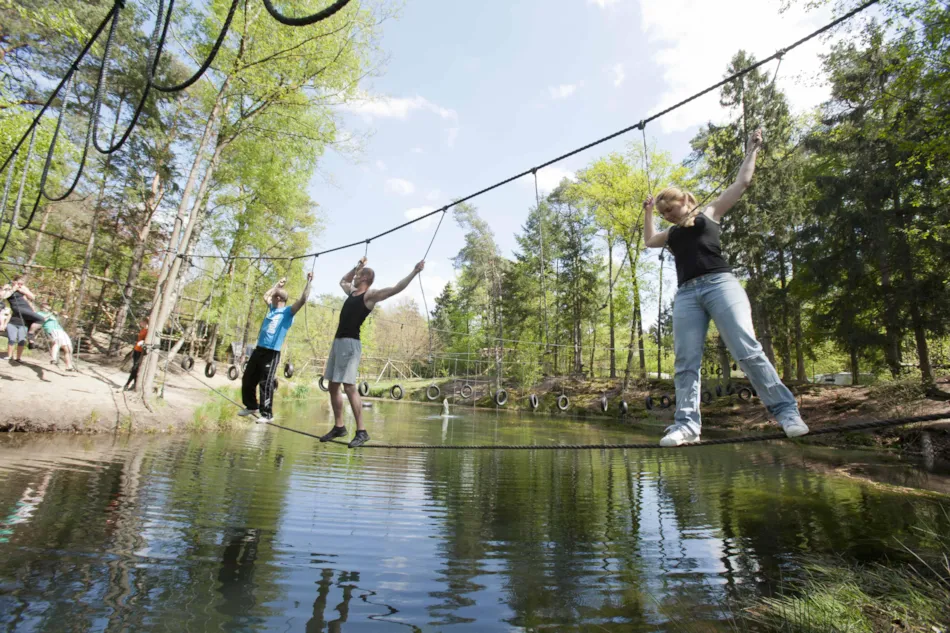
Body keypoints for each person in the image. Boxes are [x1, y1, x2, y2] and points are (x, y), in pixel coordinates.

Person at [642, 128, 809, 447]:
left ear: (685, 200)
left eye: (671, 208)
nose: (668, 215)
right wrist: (649, 212)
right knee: (685, 360)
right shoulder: (672, 234)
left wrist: (752, 149)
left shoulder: (709, 213)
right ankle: (687, 425)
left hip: (720, 284)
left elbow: (741, 183)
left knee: (746, 349)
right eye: (664, 212)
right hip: (687, 294)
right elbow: (650, 241)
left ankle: (786, 412)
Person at [319, 258, 425, 448]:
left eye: (360, 274)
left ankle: (362, 431)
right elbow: (342, 281)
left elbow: (395, 289)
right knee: (333, 386)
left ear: (366, 278)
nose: (356, 276)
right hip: (338, 342)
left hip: (351, 344)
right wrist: (356, 266)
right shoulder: (352, 292)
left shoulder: (369, 296)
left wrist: (414, 271)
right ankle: (339, 426)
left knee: (349, 386)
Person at [238, 273, 312, 422]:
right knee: (247, 379)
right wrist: (278, 285)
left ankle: (267, 414)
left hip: (272, 353)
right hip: (259, 350)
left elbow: (303, 299)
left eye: (274, 296)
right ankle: (252, 406)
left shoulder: (288, 312)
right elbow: (266, 295)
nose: (270, 298)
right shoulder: (272, 309)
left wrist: (309, 281)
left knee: (266, 383)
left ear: (278, 299)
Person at [4, 275, 45, 363]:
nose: (20, 285)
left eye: (21, 284)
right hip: (17, 308)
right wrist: (14, 289)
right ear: (14, 281)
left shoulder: (23, 288)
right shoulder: (8, 287)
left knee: (33, 322)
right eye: (18, 283)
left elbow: (33, 297)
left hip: (26, 308)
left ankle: (31, 340)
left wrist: (23, 291)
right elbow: (3, 296)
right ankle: (30, 335)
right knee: (41, 319)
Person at [36, 303, 75, 371]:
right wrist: (51, 313)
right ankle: (53, 358)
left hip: (60, 330)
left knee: (68, 348)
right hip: (52, 329)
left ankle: (68, 366)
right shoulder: (39, 313)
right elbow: (43, 319)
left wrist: (61, 315)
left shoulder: (51, 315)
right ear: (42, 308)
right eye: (46, 308)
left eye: (49, 308)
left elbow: (57, 320)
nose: (48, 309)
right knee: (57, 341)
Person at [125, 317, 149, 391]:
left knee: (135, 368)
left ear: (145, 322)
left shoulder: (148, 331)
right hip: (136, 349)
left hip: (140, 351)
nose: (140, 323)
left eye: (141, 322)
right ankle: (133, 384)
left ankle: (127, 384)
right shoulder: (142, 330)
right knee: (134, 368)